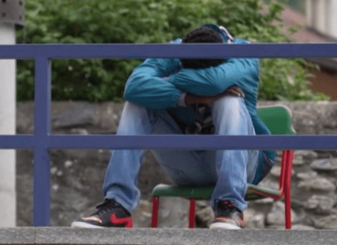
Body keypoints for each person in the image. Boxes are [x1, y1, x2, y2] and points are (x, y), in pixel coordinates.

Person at [71, 24, 274, 230]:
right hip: (188, 163)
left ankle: (229, 206)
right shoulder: (176, 51)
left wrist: (172, 81)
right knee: (137, 103)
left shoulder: (243, 52)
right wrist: (190, 97)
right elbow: (133, 86)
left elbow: (213, 82)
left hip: (244, 166)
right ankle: (117, 206)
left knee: (228, 101)